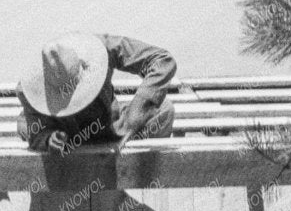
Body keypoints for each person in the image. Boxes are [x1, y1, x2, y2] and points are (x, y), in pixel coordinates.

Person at [20, 31, 178, 152]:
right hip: (67, 136)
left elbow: (162, 61)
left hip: (111, 126)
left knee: (165, 110)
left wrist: (133, 118)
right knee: (25, 126)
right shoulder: (28, 92)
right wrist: (49, 140)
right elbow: (36, 133)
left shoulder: (103, 48)